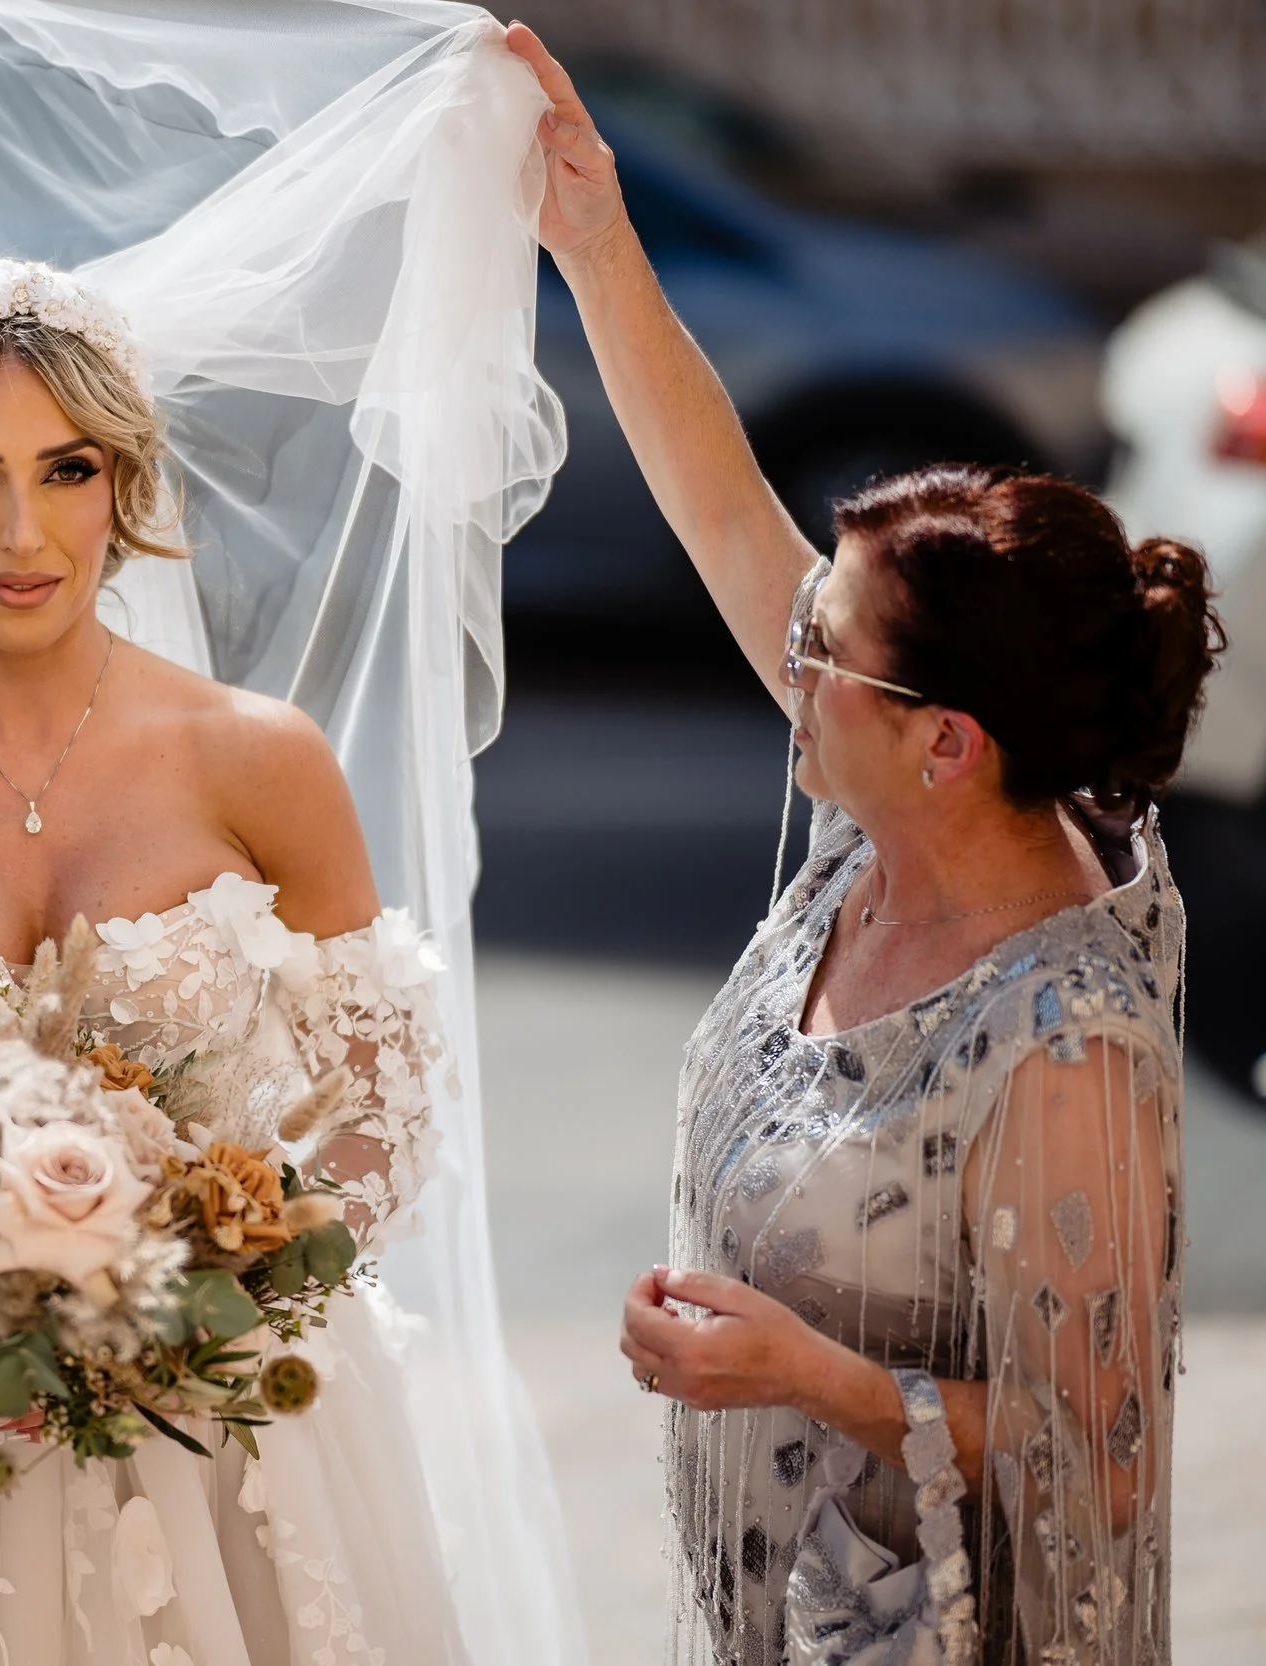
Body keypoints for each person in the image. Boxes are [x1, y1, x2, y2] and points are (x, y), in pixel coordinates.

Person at [0, 9, 585, 1665]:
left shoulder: (258, 761)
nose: (19, 532)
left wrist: (228, 1287)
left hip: (240, 1444)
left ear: (126, 483)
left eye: (67, 471)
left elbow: (385, 1102)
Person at [502, 24, 1221, 1666]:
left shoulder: (1064, 1042)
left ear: (948, 740)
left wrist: (801, 1376)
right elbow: (715, 500)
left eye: (821, 644)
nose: (786, 660)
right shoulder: (874, 821)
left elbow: (1093, 1453)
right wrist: (596, 235)